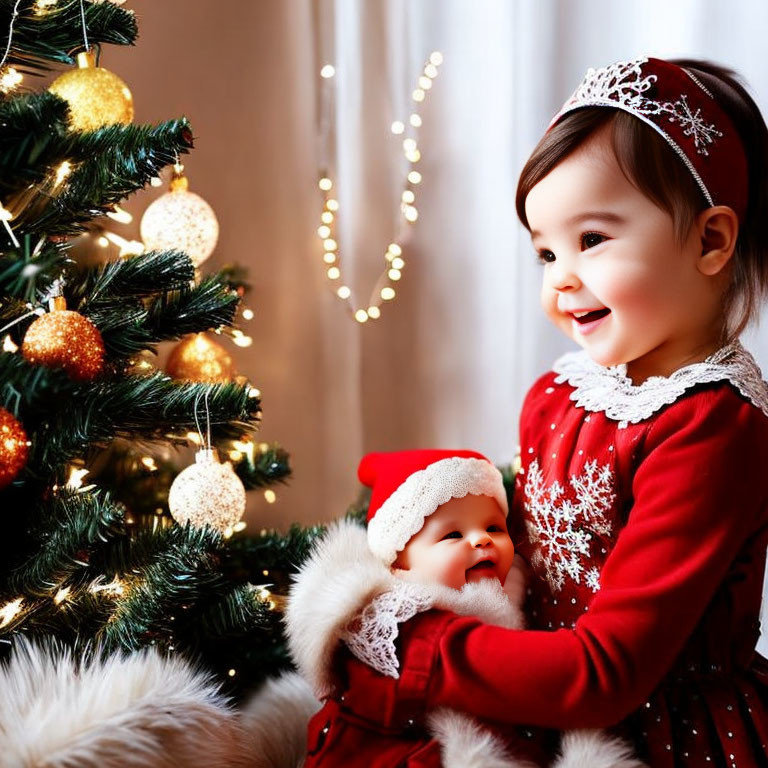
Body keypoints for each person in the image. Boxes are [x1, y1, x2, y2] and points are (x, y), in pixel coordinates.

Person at [351, 57, 768, 766]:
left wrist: (418, 649)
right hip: (536, 697)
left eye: (593, 240)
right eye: (545, 251)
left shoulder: (711, 428)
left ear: (710, 240)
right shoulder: (561, 394)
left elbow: (605, 673)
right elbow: (520, 562)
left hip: (658, 735)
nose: (561, 279)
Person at [281, 449, 644, 767]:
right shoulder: (401, 626)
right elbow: (509, 670)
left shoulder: (514, 604)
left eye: (493, 528)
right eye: (453, 535)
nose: (482, 539)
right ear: (400, 566)